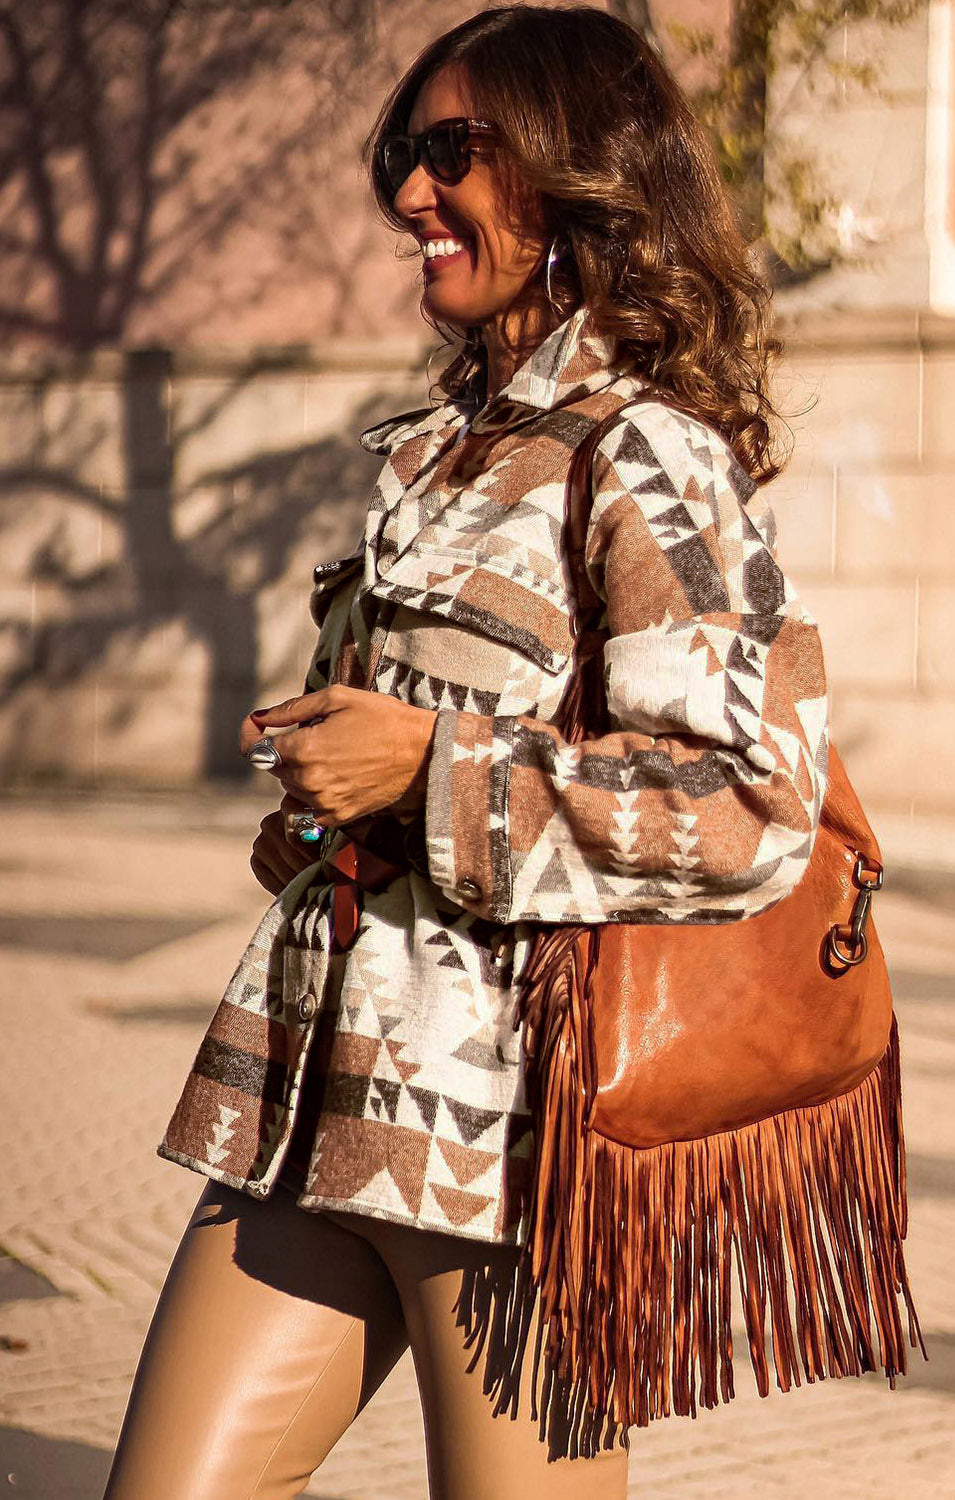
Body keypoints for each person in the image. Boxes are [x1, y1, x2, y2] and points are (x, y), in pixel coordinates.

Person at [102, 6, 829, 1498]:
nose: (408, 197)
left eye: (451, 155)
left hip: (516, 1131)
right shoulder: (448, 448)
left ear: (579, 176)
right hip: (319, 1093)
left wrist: (429, 774)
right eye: (400, 155)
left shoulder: (642, 450)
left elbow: (755, 809)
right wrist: (320, 804)